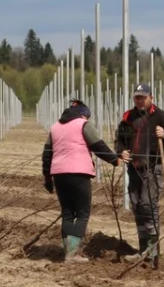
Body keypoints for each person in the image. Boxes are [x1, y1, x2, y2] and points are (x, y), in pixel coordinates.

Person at [41, 99, 122, 262]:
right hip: (79, 173)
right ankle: (72, 254)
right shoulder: (83, 124)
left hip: (59, 174)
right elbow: (98, 145)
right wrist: (114, 160)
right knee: (82, 213)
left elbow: (47, 155)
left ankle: (68, 253)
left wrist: (48, 179)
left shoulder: (55, 127)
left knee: (67, 214)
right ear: (83, 115)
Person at [115, 83, 164, 265]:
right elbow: (119, 140)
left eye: (143, 97)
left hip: (154, 167)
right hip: (134, 168)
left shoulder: (160, 116)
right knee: (137, 206)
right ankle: (143, 250)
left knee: (148, 205)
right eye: (137, 97)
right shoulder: (128, 117)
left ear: (151, 98)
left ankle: (153, 251)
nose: (140, 101)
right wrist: (121, 151)